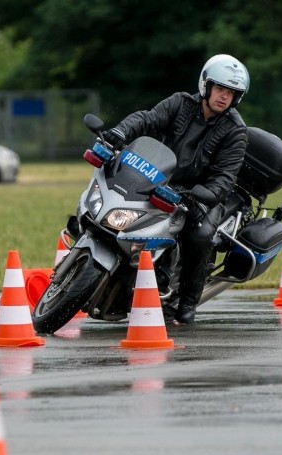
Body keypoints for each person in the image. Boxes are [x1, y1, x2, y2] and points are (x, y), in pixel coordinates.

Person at [102, 54, 250, 325]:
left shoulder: (235, 131)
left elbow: (225, 177)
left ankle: (187, 302)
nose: (224, 97)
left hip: (199, 194)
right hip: (158, 176)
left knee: (200, 234)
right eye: (220, 89)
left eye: (231, 93)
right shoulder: (180, 103)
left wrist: (205, 195)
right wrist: (121, 132)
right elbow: (148, 120)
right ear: (206, 85)